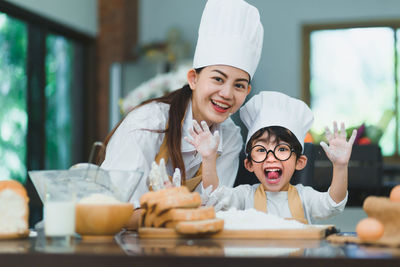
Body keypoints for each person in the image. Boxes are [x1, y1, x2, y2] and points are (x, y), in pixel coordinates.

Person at [100, 0, 263, 229]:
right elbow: (113, 209)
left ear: (247, 91)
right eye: (218, 78)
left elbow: (216, 208)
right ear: (193, 79)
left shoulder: (231, 137)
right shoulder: (149, 123)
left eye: (239, 85)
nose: (226, 93)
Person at [187, 91, 357, 224]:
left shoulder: (305, 197)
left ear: (300, 162)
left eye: (282, 149)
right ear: (249, 164)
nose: (271, 158)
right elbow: (214, 196)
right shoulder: (244, 196)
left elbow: (333, 203)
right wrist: (209, 158)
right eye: (261, 150)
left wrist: (340, 166)